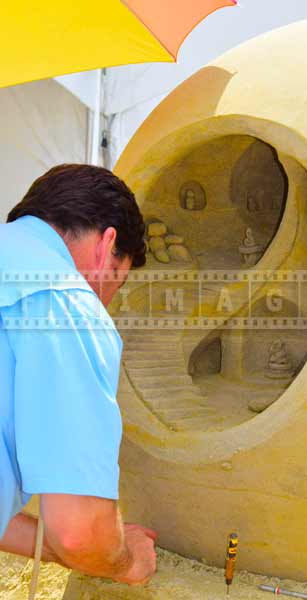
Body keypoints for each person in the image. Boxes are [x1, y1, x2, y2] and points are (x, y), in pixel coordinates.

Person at [0, 164, 157, 585]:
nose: (103, 302)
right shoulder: (66, 303)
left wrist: (67, 551)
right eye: (114, 284)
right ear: (108, 245)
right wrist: (128, 562)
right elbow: (78, 530)